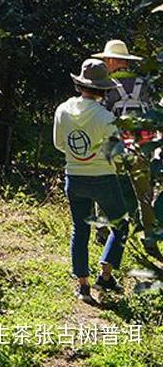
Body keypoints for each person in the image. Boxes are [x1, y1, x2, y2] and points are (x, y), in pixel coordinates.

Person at [53, 58, 128, 303]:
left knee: (80, 229)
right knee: (120, 225)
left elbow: (58, 144)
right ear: (103, 89)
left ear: (80, 84)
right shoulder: (106, 118)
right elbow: (115, 152)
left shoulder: (63, 109)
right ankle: (105, 274)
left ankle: (83, 287)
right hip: (103, 178)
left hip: (74, 177)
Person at [91, 39, 157, 249]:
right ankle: (150, 237)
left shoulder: (107, 86)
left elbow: (100, 116)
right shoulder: (144, 83)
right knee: (144, 194)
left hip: (115, 146)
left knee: (106, 187)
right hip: (141, 147)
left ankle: (103, 232)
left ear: (111, 60)